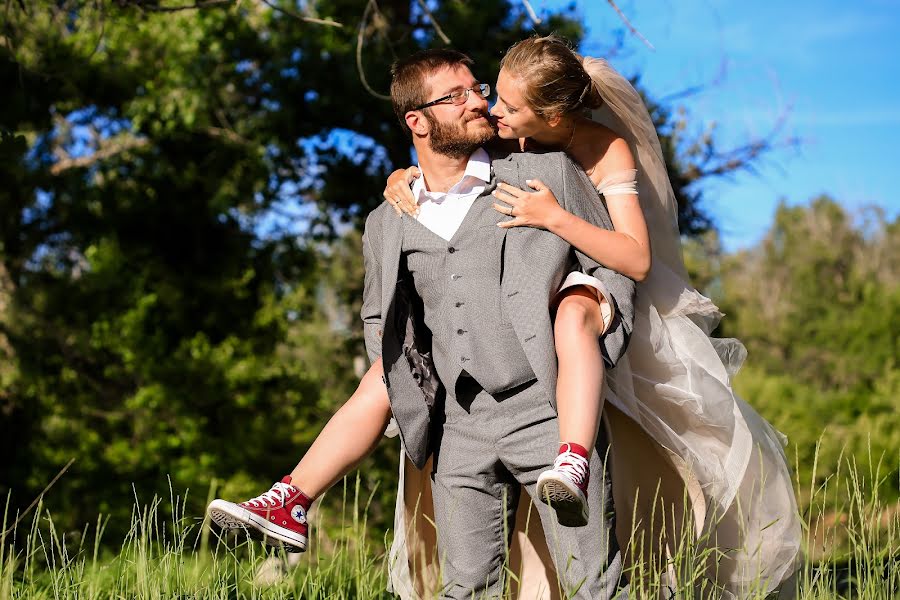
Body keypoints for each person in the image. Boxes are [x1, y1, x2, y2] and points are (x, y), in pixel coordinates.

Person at [383, 35, 802, 597]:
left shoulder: (606, 149)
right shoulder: (508, 135)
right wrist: (403, 178)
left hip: (604, 292)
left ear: (553, 115)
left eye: (507, 105)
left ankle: (584, 469)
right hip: (526, 324)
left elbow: (635, 256)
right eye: (493, 95)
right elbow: (453, 174)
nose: (491, 109)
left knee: (648, 453)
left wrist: (555, 218)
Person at [210, 47, 636, 599]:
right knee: (463, 591)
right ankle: (291, 499)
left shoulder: (546, 174)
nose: (478, 101)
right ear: (418, 121)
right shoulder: (387, 220)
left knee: (595, 587)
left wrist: (587, 316)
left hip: (549, 415)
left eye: (476, 88)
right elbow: (380, 321)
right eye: (456, 95)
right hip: (459, 431)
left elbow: (616, 268)